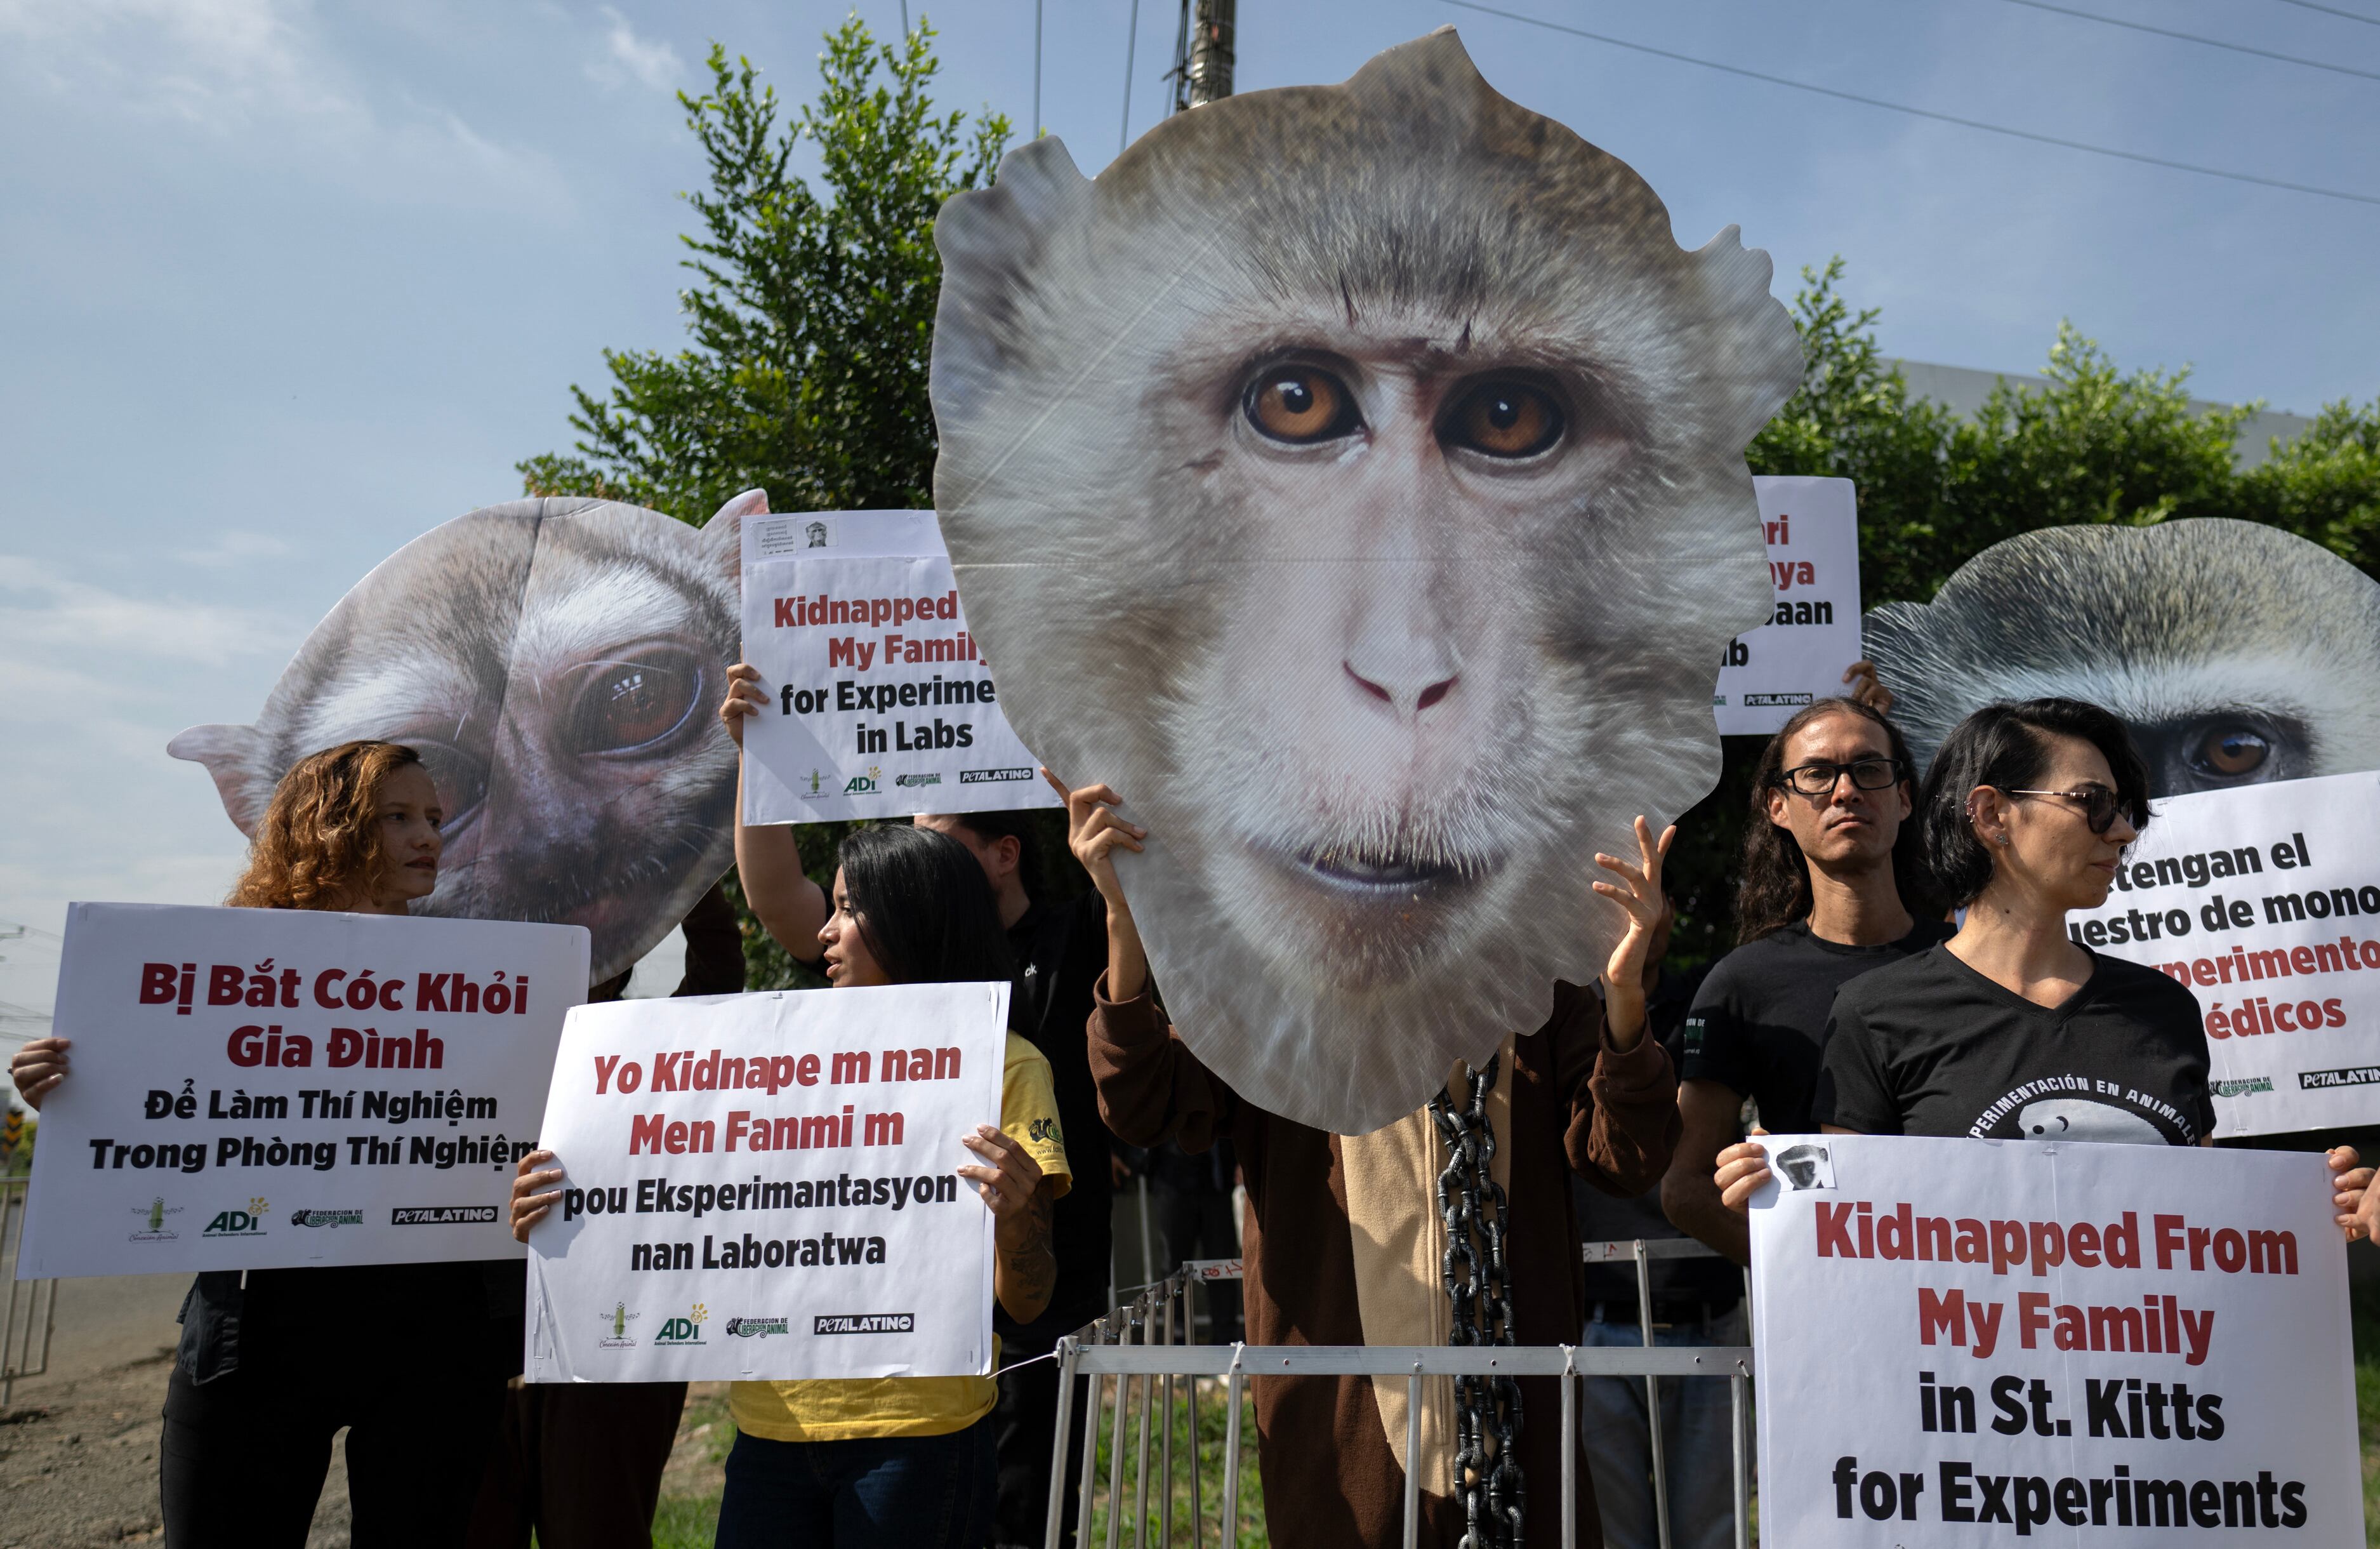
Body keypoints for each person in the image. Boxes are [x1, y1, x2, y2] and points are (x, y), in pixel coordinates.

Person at [1059, 769, 1682, 1549]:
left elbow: (1625, 1156)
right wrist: (1126, 920)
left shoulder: (1538, 987)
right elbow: (1145, 1103)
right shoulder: (1274, 988)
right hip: (1340, 1460)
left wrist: (1622, 1001)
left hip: (1520, 1458)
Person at [10, 741, 517, 1547]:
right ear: (327, 825)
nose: (429, 837)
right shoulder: (220, 972)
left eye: (434, 819)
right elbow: (160, 1100)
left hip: (437, 1333)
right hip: (255, 1335)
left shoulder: (486, 982)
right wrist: (68, 1089)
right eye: (399, 817)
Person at [512, 824, 1070, 1548]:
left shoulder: (1007, 1065)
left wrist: (1019, 1218)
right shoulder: (777, 1063)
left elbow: (1028, 1297)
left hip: (920, 1437)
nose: (826, 929)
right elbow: (680, 1196)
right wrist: (568, 1207)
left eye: (848, 907)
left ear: (914, 916)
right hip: (769, 1433)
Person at [1712, 699, 2370, 1235]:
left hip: (2151, 1382)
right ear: (1993, 813)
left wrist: (2317, 1207)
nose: (2120, 832)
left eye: (2123, 809)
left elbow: (2202, 1227)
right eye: (2091, 802)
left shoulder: (2164, 1008)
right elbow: (1858, 1240)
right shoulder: (1875, 1013)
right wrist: (1783, 1208)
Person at [467, 882, 746, 1549]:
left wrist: (689, 864)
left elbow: (719, 970)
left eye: (609, 929)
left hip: (607, 1347)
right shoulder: (464, 1032)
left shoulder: (652, 1043)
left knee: (599, 1530)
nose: (587, 946)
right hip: (473, 1337)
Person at [910, 806, 1118, 1549]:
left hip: (1054, 1289)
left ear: (1005, 853)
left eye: (937, 844)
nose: (919, 858)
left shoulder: (1075, 932)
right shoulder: (904, 963)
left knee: (1029, 1510)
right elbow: (782, 905)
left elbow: (1135, 892)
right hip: (930, 1306)